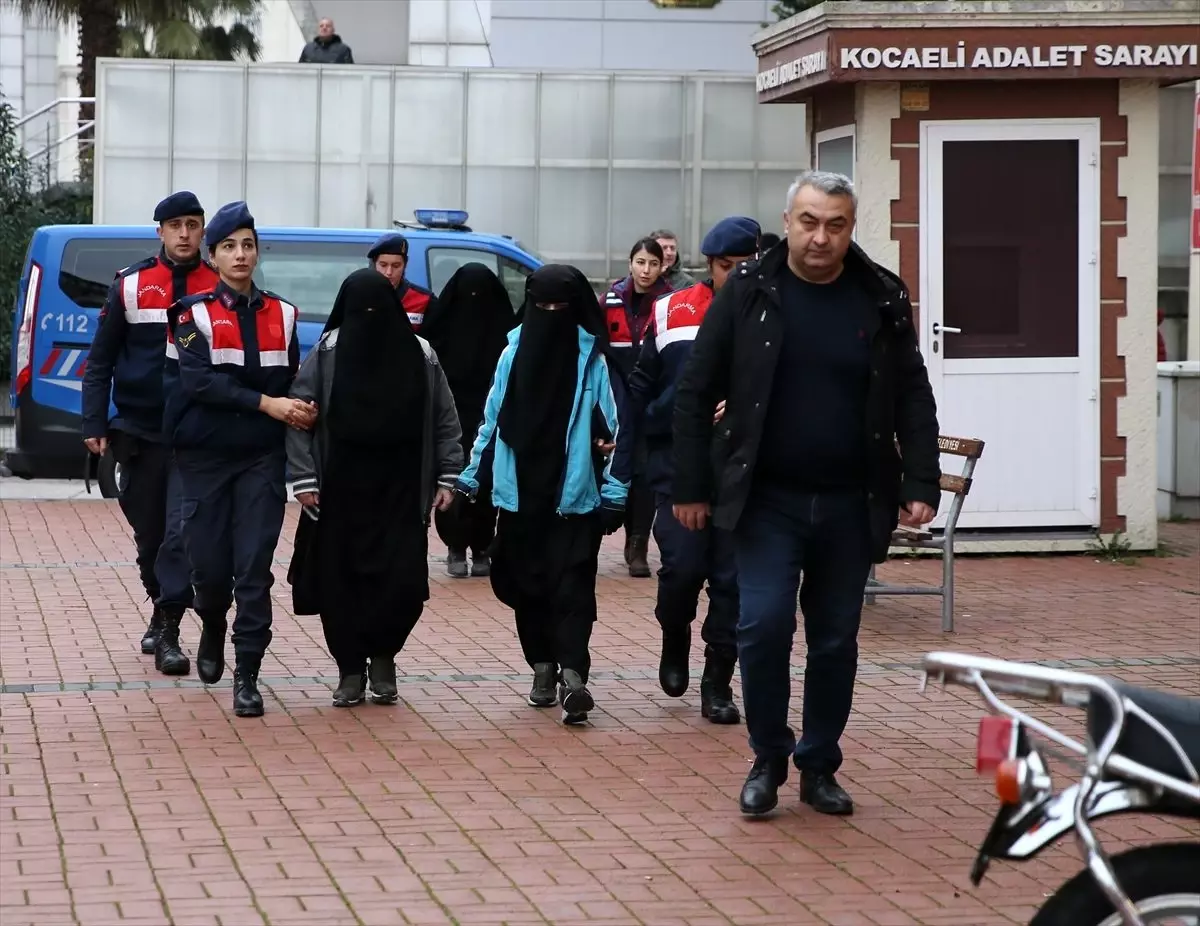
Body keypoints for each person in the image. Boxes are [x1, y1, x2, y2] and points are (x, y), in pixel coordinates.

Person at [671, 171, 941, 817]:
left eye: (836, 225)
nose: (821, 237)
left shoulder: (879, 297)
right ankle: (768, 756)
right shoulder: (747, 291)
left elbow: (912, 393)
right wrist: (691, 485)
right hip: (767, 501)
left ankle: (819, 763)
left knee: (833, 641)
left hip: (851, 502)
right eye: (810, 222)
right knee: (762, 627)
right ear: (788, 221)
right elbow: (694, 391)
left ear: (851, 228)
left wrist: (920, 480)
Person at [456, 264, 630, 725]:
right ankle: (542, 667)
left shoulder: (592, 359)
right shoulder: (513, 353)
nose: (551, 315)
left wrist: (615, 490)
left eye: (561, 307)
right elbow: (491, 420)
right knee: (528, 587)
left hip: (575, 497)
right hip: (519, 496)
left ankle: (574, 675)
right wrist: (471, 478)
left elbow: (616, 428)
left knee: (573, 587)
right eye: (543, 306)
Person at [163, 201, 316, 718]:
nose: (240, 254)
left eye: (248, 244)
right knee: (208, 569)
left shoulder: (286, 314)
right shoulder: (187, 316)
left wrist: (300, 409)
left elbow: (294, 381)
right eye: (229, 246)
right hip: (204, 459)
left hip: (260, 460)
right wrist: (267, 403)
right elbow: (198, 380)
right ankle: (210, 622)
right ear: (213, 255)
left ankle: (247, 674)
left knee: (253, 569)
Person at [286, 269, 463, 706]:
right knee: (339, 585)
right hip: (339, 491)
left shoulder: (421, 354)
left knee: (400, 584)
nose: (369, 318)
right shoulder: (327, 353)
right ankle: (349, 669)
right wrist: (304, 478)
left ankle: (384, 657)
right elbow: (298, 415)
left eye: (378, 308)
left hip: (402, 490)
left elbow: (445, 418)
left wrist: (448, 475)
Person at [627, 216, 759, 726]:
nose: (737, 275)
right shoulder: (671, 310)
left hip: (743, 476)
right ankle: (674, 635)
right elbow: (643, 392)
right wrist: (687, 412)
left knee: (732, 582)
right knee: (681, 570)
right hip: (678, 468)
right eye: (728, 267)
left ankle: (717, 681)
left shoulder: (774, 315)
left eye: (747, 265)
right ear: (709, 265)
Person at [81, 191, 218, 674]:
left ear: (204, 231)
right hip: (138, 433)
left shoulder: (219, 284)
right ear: (159, 231)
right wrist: (94, 423)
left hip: (196, 435)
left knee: (179, 535)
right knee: (150, 537)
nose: (185, 234)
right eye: (175, 225)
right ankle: (161, 608)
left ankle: (169, 630)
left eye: (193, 224)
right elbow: (99, 362)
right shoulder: (131, 284)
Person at [422, 262, 516, 578]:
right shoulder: (440, 331)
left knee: (487, 483)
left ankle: (482, 548)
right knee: (451, 479)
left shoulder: (505, 336)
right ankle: (455, 546)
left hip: (489, 419)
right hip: (452, 420)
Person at [602, 237, 672, 578]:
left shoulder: (670, 302)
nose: (646, 270)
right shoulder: (610, 299)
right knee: (622, 461)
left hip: (655, 394)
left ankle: (639, 543)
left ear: (663, 267)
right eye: (641, 262)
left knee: (645, 469)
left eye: (653, 264)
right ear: (630, 263)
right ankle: (616, 523)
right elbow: (600, 350)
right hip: (618, 394)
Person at [366, 233, 439, 333]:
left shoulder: (425, 300)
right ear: (374, 264)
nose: (389, 272)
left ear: (405, 264)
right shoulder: (362, 297)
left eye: (396, 266)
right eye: (383, 265)